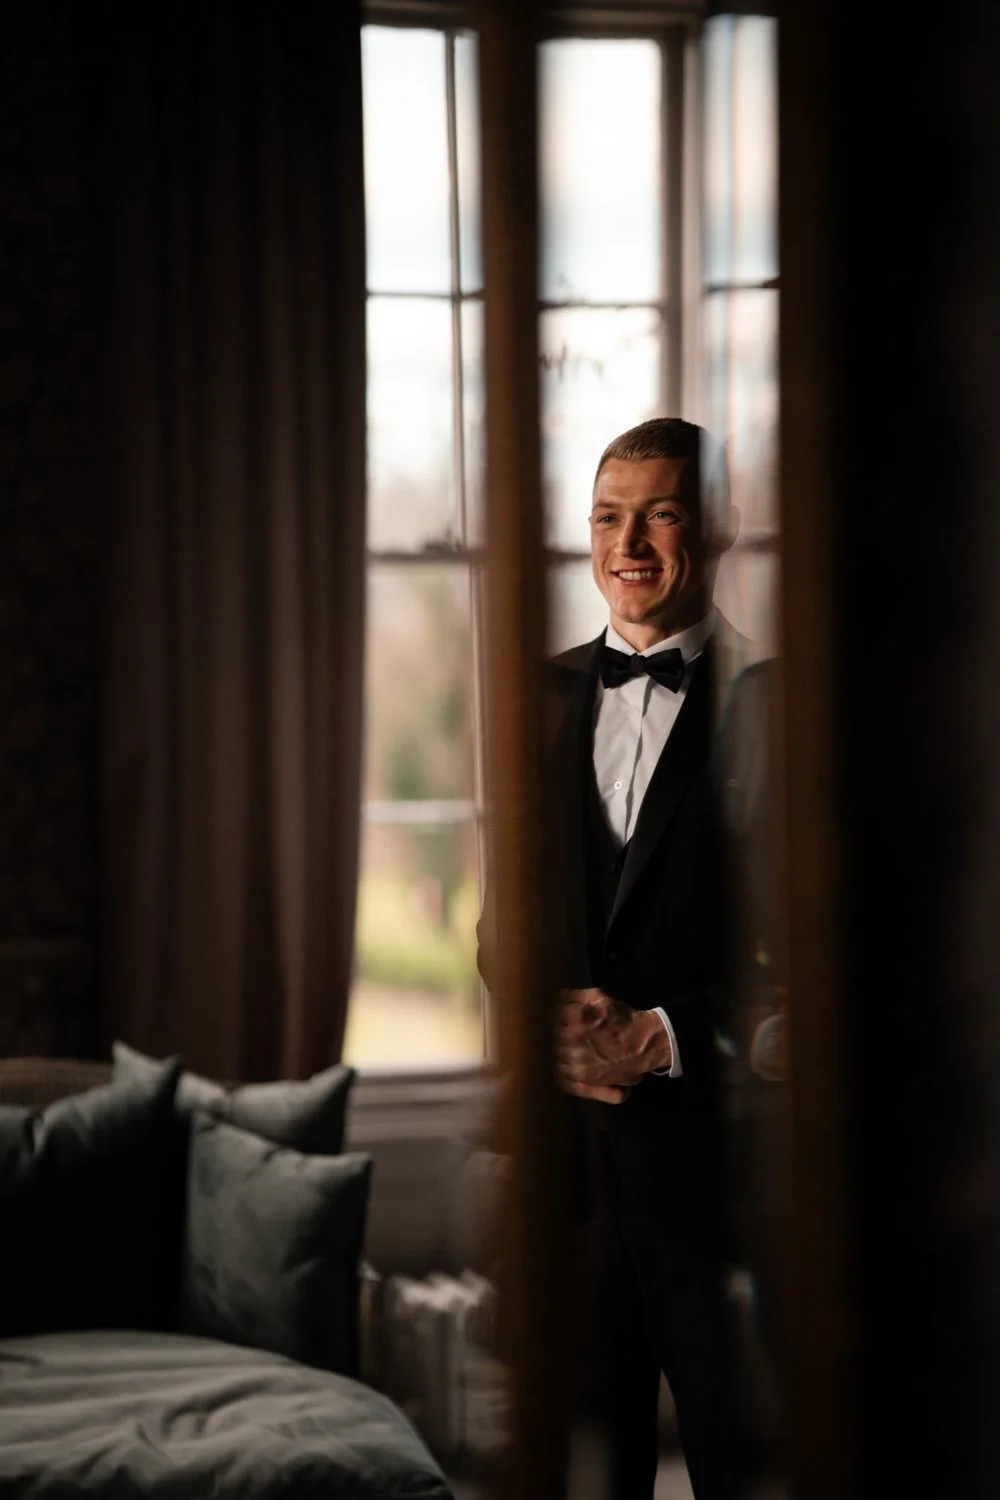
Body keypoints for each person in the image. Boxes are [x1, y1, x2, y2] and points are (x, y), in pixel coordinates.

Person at [480, 416, 782, 1499]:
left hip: (726, 1193)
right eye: (610, 518)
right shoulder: (542, 692)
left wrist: (656, 1036)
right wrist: (549, 1024)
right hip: (566, 1188)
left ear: (722, 526)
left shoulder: (781, 704)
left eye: (661, 516)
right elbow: (499, 926)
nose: (631, 546)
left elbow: (807, 977)